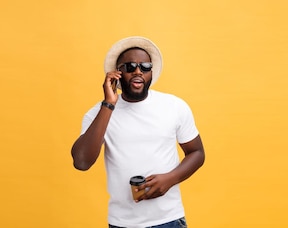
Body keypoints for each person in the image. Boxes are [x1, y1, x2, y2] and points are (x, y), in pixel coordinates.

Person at [71, 36, 206, 228]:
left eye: (144, 67)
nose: (137, 71)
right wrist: (108, 104)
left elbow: (197, 153)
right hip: (122, 223)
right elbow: (81, 162)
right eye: (129, 66)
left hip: (169, 220)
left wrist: (170, 179)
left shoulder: (174, 106)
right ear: (117, 73)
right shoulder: (99, 113)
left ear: (151, 72)